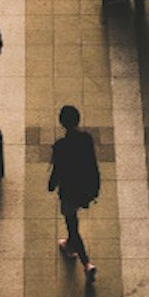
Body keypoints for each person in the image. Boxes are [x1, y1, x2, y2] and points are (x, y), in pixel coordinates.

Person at [48, 105, 100, 281]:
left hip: (69, 191)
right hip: (85, 188)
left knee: (72, 223)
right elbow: (92, 163)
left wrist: (51, 185)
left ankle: (86, 263)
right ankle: (70, 244)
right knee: (73, 220)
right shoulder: (86, 139)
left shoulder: (61, 146)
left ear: (62, 122)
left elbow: (57, 170)